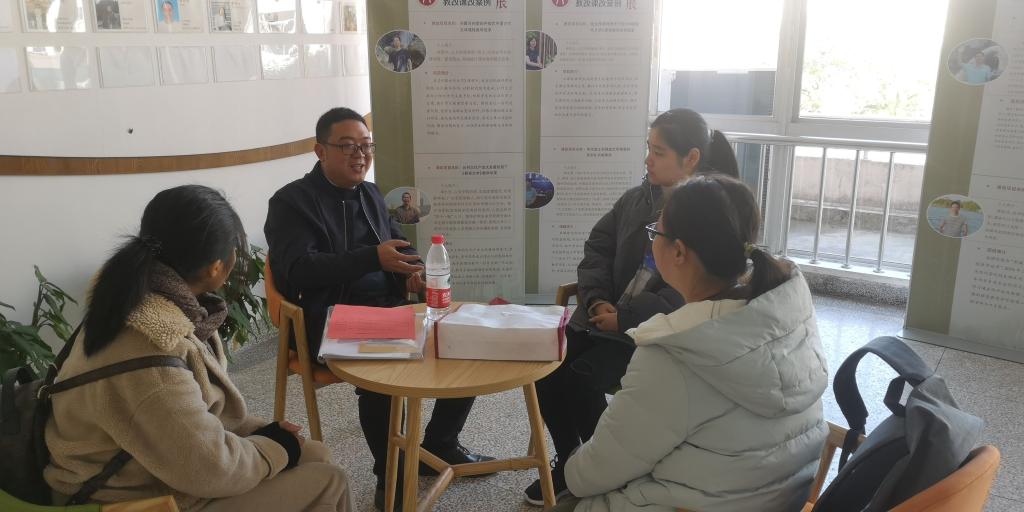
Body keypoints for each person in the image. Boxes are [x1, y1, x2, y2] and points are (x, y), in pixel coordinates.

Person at [44, 185, 353, 511]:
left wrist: (264, 433)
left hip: (148, 470)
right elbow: (211, 470)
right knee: (329, 481)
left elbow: (193, 416)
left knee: (314, 453)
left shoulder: (142, 303)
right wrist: (276, 448)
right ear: (216, 267)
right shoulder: (151, 354)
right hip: (126, 499)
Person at [552, 174, 829, 512]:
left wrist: (571, 466)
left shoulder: (675, 355)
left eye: (655, 232)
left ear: (678, 251)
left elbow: (592, 475)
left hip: (695, 503)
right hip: (778, 497)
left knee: (569, 498)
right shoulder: (788, 315)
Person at [264, 107, 493, 511]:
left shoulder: (370, 193)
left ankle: (440, 442)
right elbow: (297, 270)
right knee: (384, 369)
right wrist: (372, 258)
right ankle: (390, 474)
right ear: (320, 150)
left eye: (366, 146)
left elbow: (397, 246)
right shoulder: (291, 202)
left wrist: (414, 272)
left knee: (462, 338)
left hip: (387, 308)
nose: (360, 155)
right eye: (348, 146)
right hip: (327, 317)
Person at [524, 108, 741, 505]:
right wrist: (597, 299)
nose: (647, 160)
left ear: (690, 158)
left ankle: (602, 472)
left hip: (655, 335)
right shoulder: (637, 199)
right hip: (601, 316)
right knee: (546, 367)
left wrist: (624, 318)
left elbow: (690, 294)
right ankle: (572, 461)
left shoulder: (708, 215)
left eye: (658, 152)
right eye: (648, 149)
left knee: (580, 379)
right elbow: (597, 249)